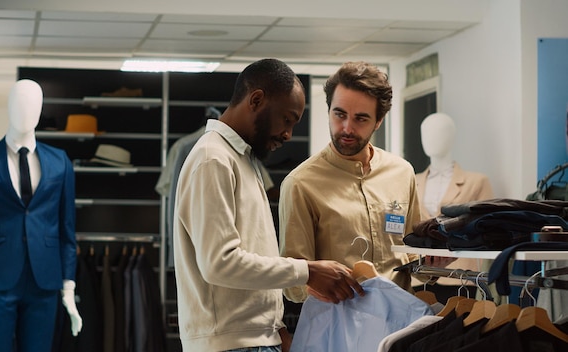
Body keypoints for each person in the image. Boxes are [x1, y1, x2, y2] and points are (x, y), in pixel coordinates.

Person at [173, 58, 363, 352]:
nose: (288, 134)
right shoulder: (213, 159)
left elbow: (253, 255)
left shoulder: (242, 160)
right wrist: (307, 271)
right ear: (257, 100)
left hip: (255, 340)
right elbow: (219, 263)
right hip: (233, 345)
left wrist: (276, 327)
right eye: (286, 120)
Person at [279, 61, 453, 303]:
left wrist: (432, 262)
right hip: (338, 327)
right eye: (339, 115)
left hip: (399, 325)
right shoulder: (300, 183)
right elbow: (293, 287)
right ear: (329, 110)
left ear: (378, 121)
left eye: (361, 119)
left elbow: (412, 260)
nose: (347, 128)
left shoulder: (401, 172)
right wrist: (320, 280)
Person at [0, 79, 82, 352]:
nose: (26, 111)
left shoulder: (60, 162)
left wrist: (68, 286)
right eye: (20, 103)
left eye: (33, 105)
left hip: (44, 281)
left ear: (41, 109)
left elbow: (67, 230)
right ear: (8, 107)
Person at [415, 112, 494, 294]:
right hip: (420, 274)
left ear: (452, 136)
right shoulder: (412, 181)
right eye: (426, 132)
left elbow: (486, 229)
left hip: (460, 275)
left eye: (440, 132)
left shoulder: (477, 182)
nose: (431, 138)